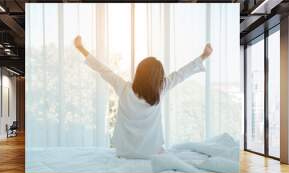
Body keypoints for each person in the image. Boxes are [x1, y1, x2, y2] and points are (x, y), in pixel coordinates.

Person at [74, 35, 213, 159]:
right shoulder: (161, 88)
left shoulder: (123, 88)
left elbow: (103, 70)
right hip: (151, 152)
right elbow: (182, 73)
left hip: (124, 151)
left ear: (139, 73)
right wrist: (203, 56)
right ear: (158, 77)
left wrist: (81, 49)